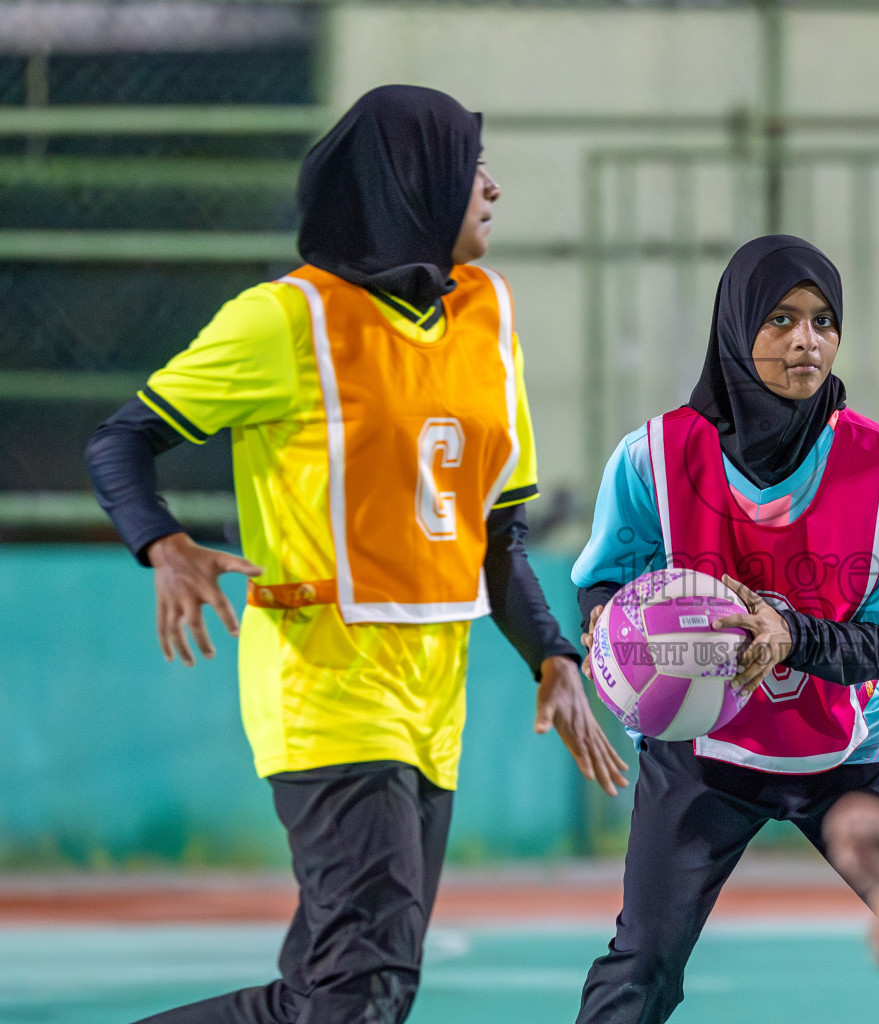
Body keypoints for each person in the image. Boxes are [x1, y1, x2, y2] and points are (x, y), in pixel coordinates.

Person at [83, 85, 628, 1024]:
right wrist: (163, 543)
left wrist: (553, 656)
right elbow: (120, 441)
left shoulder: (489, 314)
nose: (491, 190)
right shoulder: (285, 322)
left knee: (340, 995)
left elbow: (495, 534)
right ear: (414, 185)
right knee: (363, 985)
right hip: (324, 687)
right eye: (471, 169)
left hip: (432, 701)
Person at [569, 234, 879, 1023]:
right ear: (735, 326)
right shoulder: (654, 456)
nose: (805, 341)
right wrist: (608, 633)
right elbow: (606, 585)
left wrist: (794, 632)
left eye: (824, 321)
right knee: (641, 964)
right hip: (703, 749)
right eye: (781, 319)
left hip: (852, 749)